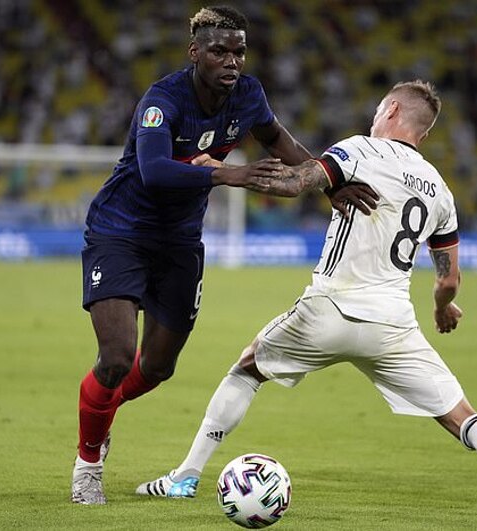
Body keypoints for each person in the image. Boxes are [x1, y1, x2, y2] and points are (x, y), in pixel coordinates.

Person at [136, 80, 477, 519]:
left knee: (247, 369)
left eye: (379, 109)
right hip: (393, 326)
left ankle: (185, 476)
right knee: (464, 417)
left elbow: (296, 182)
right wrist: (442, 307)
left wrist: (223, 170)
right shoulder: (439, 190)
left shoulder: (360, 150)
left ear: (391, 111)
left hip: (330, 309)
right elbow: (449, 279)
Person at [71, 5, 377, 505]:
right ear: (195, 52)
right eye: (219, 51)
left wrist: (329, 181)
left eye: (239, 52)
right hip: (121, 232)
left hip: (180, 242)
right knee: (117, 357)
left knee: (157, 367)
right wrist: (229, 174)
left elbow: (276, 138)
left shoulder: (249, 94)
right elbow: (153, 170)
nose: (231, 61)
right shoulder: (163, 100)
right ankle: (88, 465)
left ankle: (101, 413)